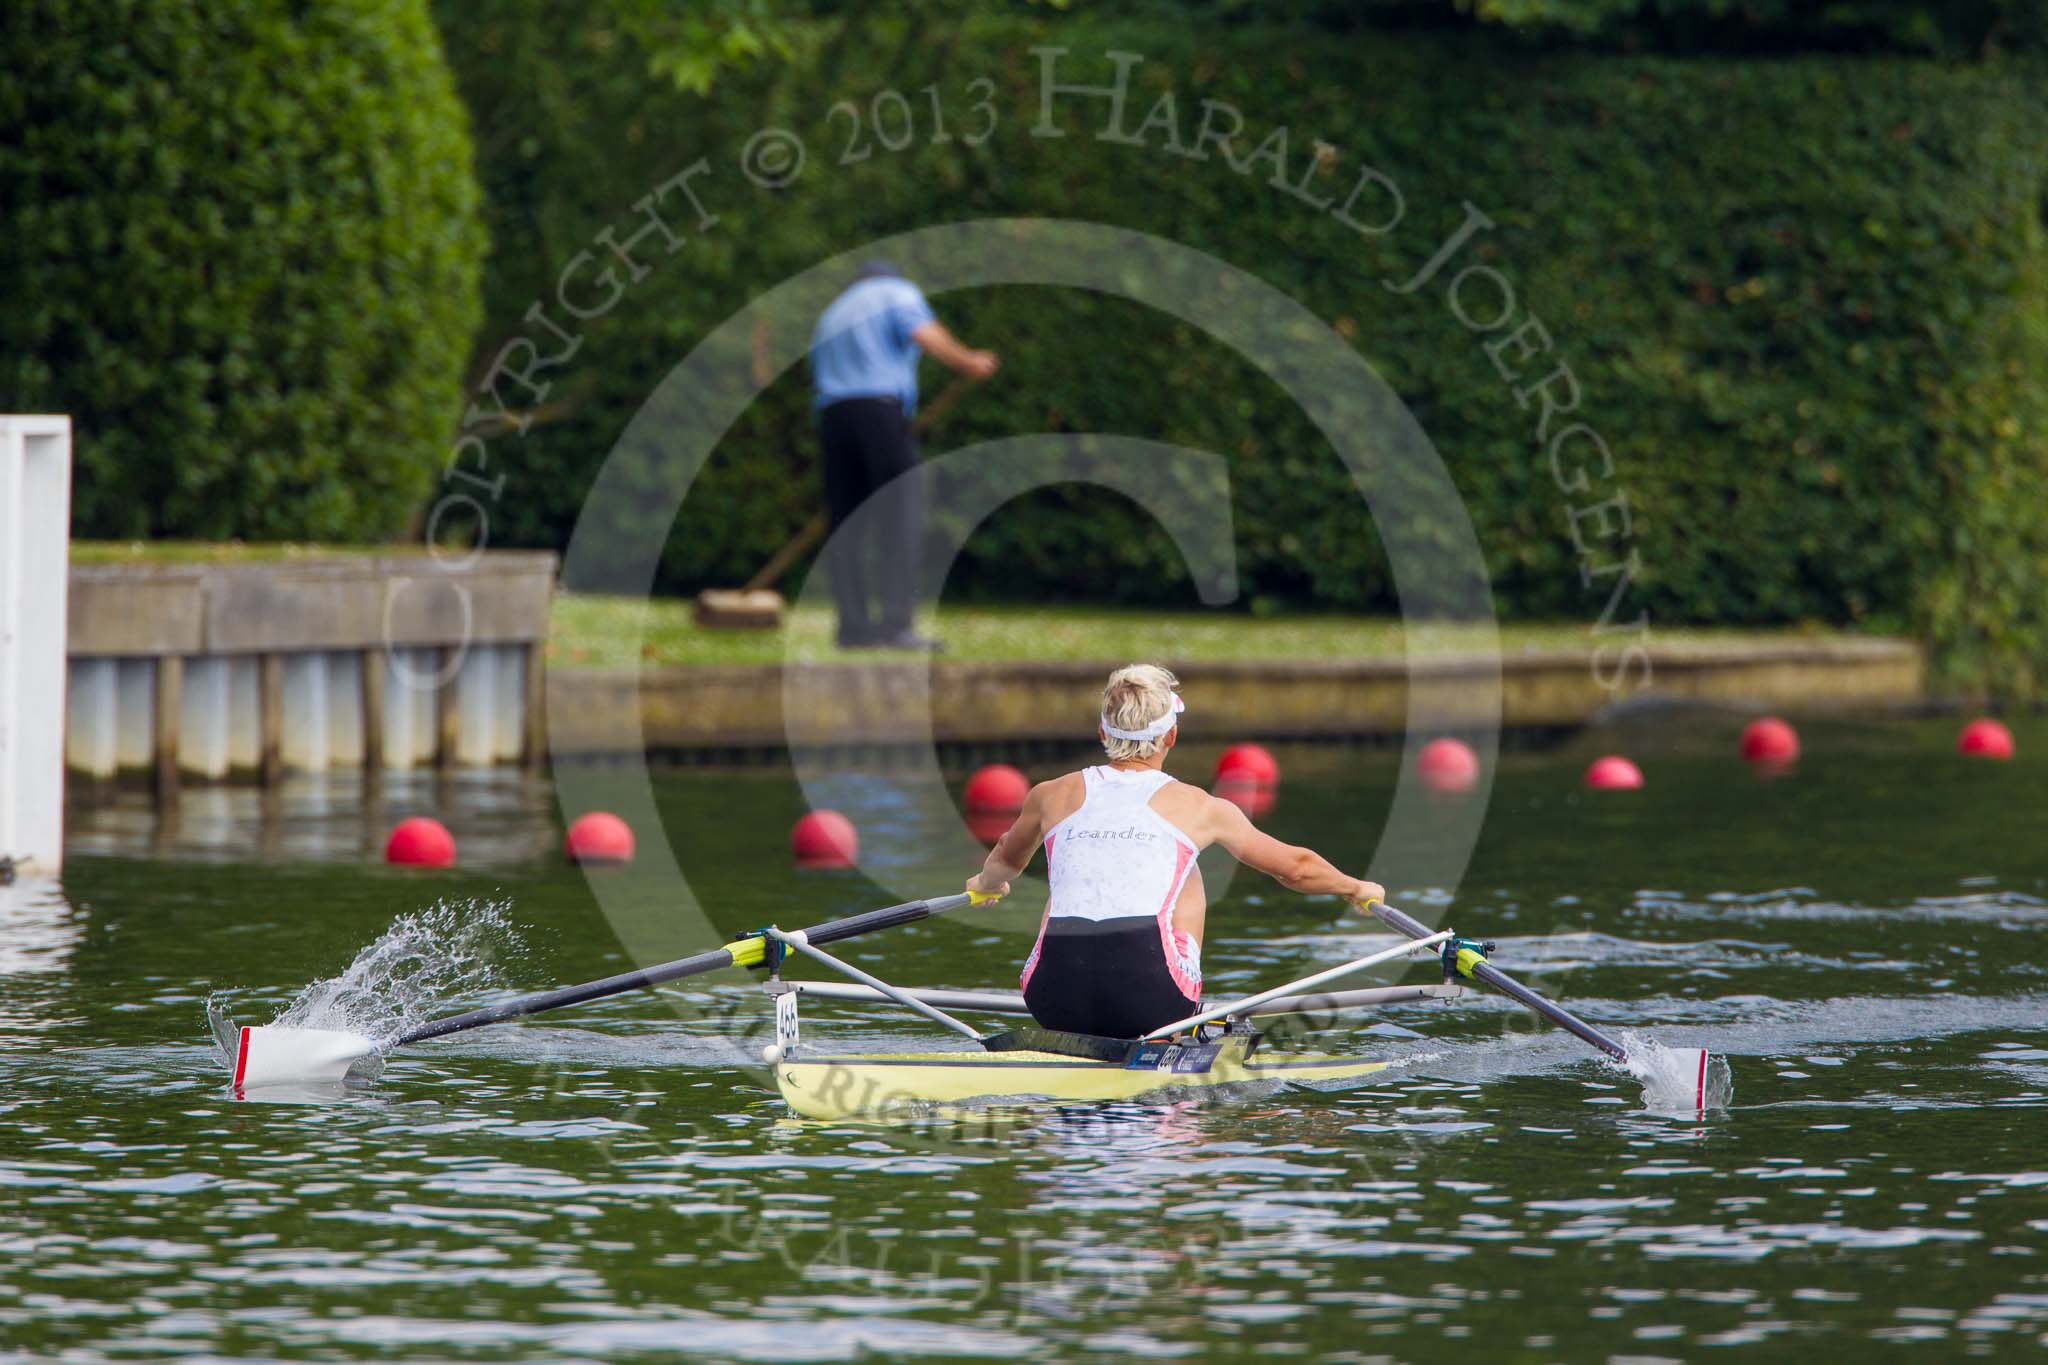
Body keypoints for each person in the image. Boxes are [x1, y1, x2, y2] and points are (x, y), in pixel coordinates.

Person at [965, 664, 1386, 1039]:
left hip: (1052, 1000)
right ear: (1171, 735)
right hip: (1151, 1002)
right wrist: (1354, 887)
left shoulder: (1050, 794)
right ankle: (1168, 1035)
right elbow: (1295, 869)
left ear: (1102, 733)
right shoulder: (1202, 807)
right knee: (1189, 872)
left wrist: (987, 884)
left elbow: (1006, 856)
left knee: (1075, 875)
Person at [809, 261, 998, 651]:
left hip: (833, 416)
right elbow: (922, 332)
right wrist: (968, 361)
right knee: (903, 510)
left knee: (847, 523)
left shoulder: (833, 312)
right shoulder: (896, 292)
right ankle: (896, 625)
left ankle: (853, 630)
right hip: (879, 409)